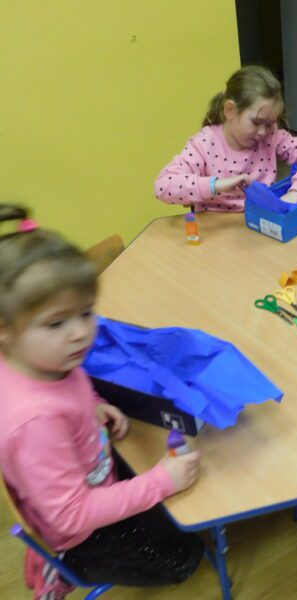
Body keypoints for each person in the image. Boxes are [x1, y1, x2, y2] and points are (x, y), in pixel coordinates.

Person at [0, 204, 203, 597]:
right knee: (186, 557)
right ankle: (66, 568)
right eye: (57, 322)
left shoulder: (38, 357)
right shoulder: (34, 424)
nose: (81, 333)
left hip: (87, 470)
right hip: (82, 532)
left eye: (86, 313)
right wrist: (159, 482)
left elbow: (69, 384)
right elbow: (73, 515)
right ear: (4, 329)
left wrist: (92, 403)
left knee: (176, 502)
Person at [154, 65, 297, 211]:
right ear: (230, 110)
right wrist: (216, 185)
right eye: (256, 122)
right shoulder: (204, 144)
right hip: (217, 232)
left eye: (269, 124)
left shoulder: (271, 135)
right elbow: (163, 185)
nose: (263, 132)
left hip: (260, 226)